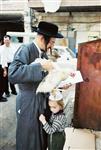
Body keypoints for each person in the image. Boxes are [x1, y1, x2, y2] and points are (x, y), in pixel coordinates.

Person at [8, 21, 64, 150]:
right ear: (41, 38)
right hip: (28, 101)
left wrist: (59, 83)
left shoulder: (42, 53)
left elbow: (43, 79)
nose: (52, 45)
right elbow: (13, 74)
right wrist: (40, 66)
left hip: (40, 100)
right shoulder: (25, 49)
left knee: (39, 137)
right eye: (52, 42)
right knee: (28, 138)